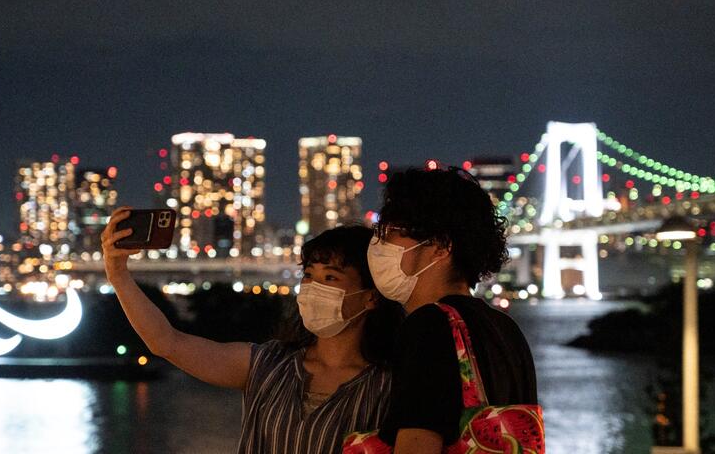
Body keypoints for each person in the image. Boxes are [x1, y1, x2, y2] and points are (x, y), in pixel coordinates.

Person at [102, 209, 402, 454]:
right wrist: (118, 275)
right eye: (309, 275)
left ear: (371, 296)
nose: (313, 288)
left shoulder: (389, 386)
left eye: (330, 277)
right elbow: (166, 341)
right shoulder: (268, 365)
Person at [364, 167, 538, 454]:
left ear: (441, 246)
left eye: (392, 233)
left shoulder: (429, 326)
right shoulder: (507, 329)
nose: (380, 245)